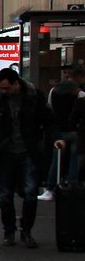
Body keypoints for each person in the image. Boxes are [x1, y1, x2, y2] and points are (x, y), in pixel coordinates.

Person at [0, 68, 53, 248]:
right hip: (6, 152)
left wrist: (54, 139)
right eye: (1, 87)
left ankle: (26, 230)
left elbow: (47, 119)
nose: (3, 91)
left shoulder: (34, 96)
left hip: (28, 151)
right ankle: (9, 230)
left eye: (6, 88)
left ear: (16, 83)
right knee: (5, 195)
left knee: (30, 193)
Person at [42, 62, 83, 194]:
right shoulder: (79, 93)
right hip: (75, 131)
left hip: (59, 130)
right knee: (74, 160)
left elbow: (50, 109)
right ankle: (71, 187)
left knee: (56, 160)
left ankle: (50, 187)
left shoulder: (54, 91)